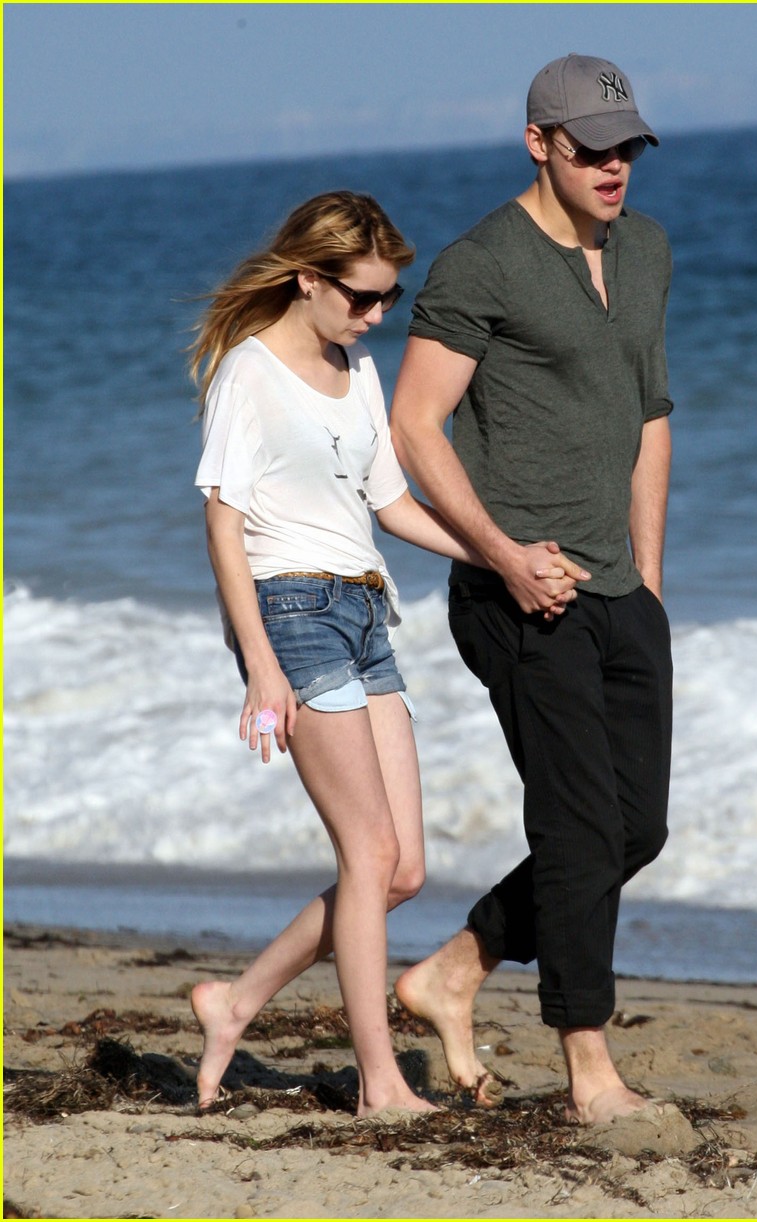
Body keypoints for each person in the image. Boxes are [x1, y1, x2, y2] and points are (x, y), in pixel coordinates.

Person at [187, 190, 584, 1118]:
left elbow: (390, 504)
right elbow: (223, 524)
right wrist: (261, 665)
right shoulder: (249, 373)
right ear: (308, 278)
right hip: (291, 611)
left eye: (388, 298)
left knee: (400, 869)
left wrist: (501, 555)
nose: (375, 315)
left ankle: (233, 1003)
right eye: (361, 297)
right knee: (366, 852)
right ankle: (380, 1083)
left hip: (366, 610)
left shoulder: (357, 366)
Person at [389, 55, 675, 1126]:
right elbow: (414, 426)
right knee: (577, 823)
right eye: (590, 147)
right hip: (517, 593)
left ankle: (452, 972)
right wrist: (504, 555)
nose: (612, 165)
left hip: (619, 588)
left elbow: (649, 414)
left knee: (634, 828)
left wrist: (648, 579)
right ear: (539, 144)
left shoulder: (644, 250)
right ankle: (588, 1068)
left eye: (625, 146)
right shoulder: (481, 265)